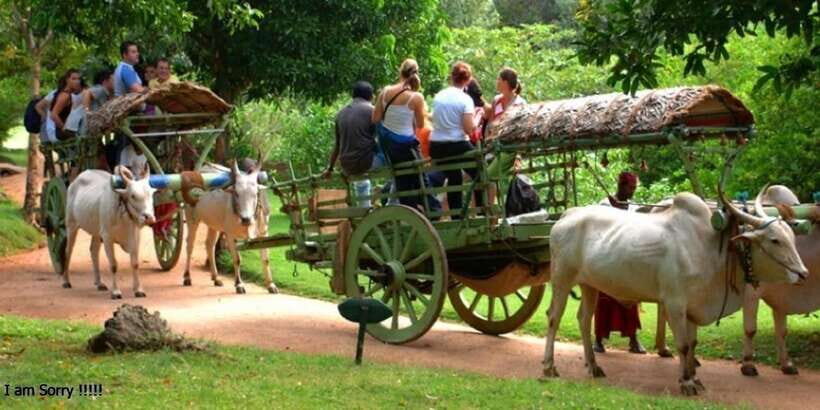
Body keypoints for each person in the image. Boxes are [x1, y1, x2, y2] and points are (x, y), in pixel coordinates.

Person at [372, 59, 436, 211]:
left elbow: (375, 119)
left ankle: (410, 210)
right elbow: (420, 125)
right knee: (421, 180)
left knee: (402, 180)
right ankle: (432, 211)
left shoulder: (385, 91)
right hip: (407, 147)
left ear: (400, 72)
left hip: (389, 147)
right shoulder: (416, 97)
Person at [594, 171, 646, 354]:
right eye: (631, 188)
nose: (632, 192)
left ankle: (633, 340)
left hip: (627, 260)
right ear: (622, 186)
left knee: (630, 300)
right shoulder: (603, 205)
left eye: (634, 188)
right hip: (607, 259)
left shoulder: (633, 208)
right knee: (604, 300)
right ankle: (598, 340)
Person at [429, 61, 483, 219]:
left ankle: (456, 216)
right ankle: (480, 212)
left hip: (436, 146)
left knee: (455, 177)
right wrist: (477, 119)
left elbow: (436, 119)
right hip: (456, 144)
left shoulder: (439, 96)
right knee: (480, 172)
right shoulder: (465, 99)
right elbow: (468, 128)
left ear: (451, 78)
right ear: (468, 80)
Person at [323, 81, 384, 207]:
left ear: (353, 96)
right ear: (371, 96)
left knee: (362, 180)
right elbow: (383, 138)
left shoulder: (341, 114)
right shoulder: (371, 111)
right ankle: (391, 200)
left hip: (347, 166)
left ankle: (364, 209)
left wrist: (330, 169)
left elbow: (337, 145)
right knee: (394, 159)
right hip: (364, 163)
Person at [485, 67, 527, 204]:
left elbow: (521, 129)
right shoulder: (497, 100)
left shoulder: (520, 103)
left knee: (489, 175)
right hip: (493, 145)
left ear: (505, 82)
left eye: (498, 79)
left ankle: (492, 211)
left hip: (509, 147)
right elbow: (491, 122)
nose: (496, 82)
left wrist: (520, 154)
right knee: (475, 174)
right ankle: (490, 209)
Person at [48, 69, 83, 141]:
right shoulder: (65, 95)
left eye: (78, 79)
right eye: (73, 79)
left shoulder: (69, 94)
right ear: (67, 80)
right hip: (62, 133)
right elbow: (53, 115)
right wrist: (64, 129)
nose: (77, 81)